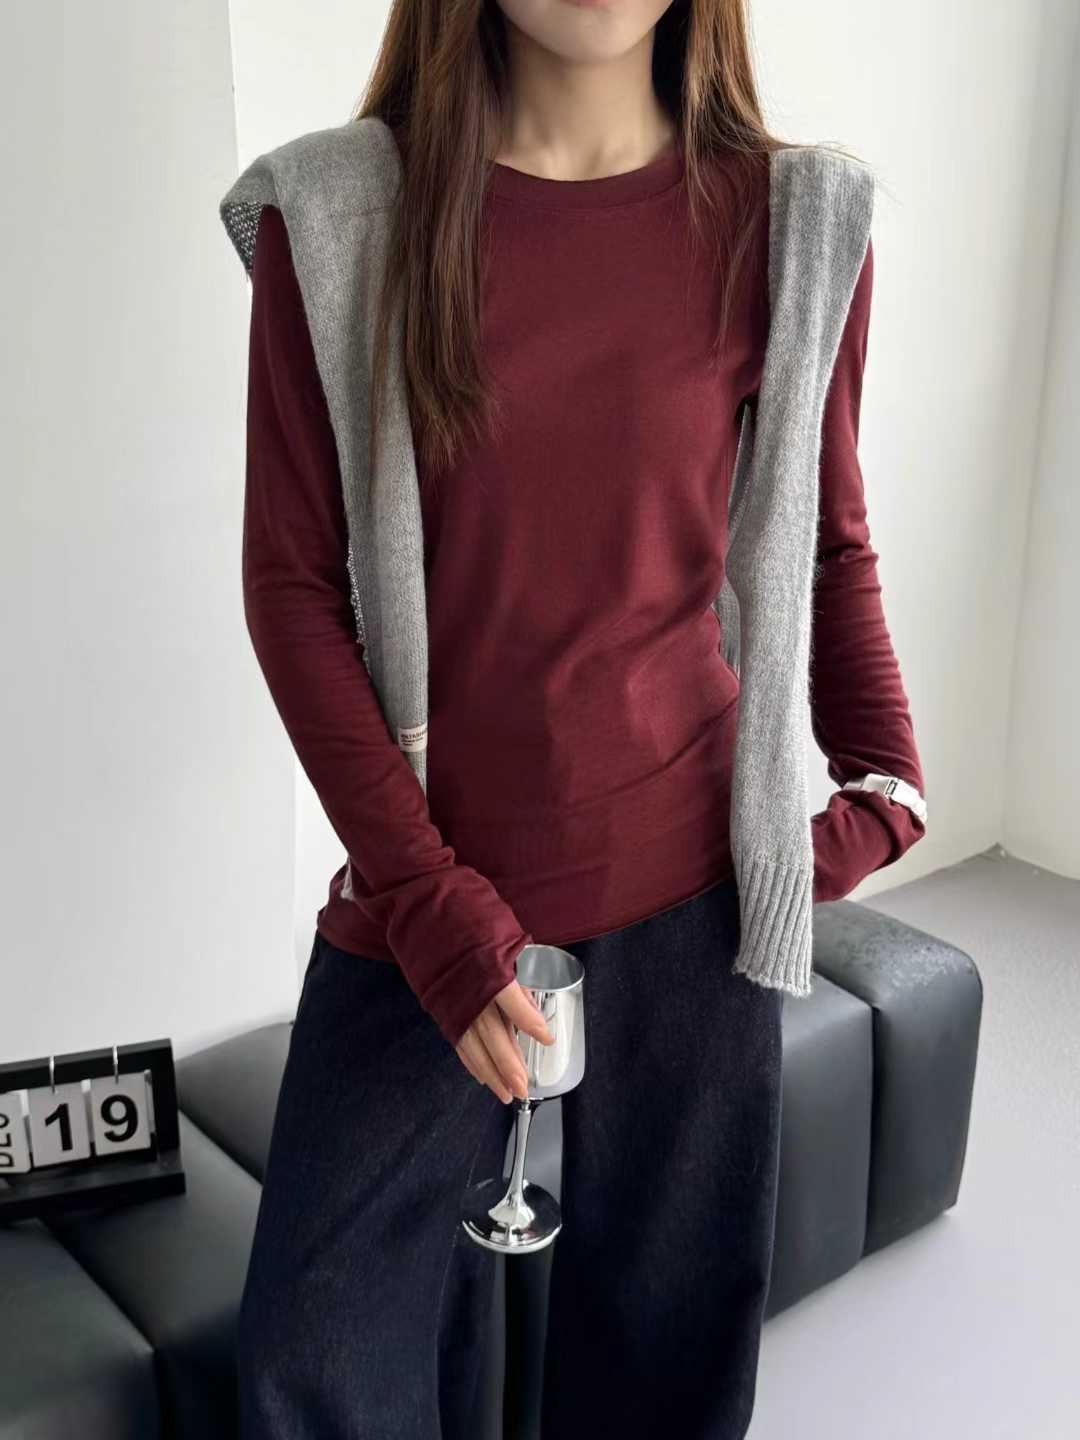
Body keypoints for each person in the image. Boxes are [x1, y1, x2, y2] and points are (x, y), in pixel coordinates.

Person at [223, 2, 927, 1437]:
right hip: (426, 906)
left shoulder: (796, 224)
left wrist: (888, 780)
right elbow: (293, 591)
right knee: (316, 1368)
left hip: (696, 918)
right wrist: (429, 907)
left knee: (666, 1375)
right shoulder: (340, 213)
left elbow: (825, 538)